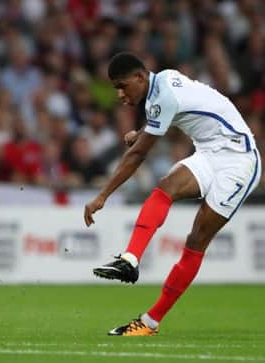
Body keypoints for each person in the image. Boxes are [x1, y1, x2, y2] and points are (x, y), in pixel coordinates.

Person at [84, 52, 261, 336]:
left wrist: (101, 196)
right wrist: (142, 130)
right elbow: (173, 109)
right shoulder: (163, 81)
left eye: (122, 85)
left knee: (197, 238)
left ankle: (150, 322)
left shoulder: (163, 93)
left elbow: (138, 154)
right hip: (209, 151)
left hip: (239, 159)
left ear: (140, 77)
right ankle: (130, 259)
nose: (119, 93)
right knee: (165, 187)